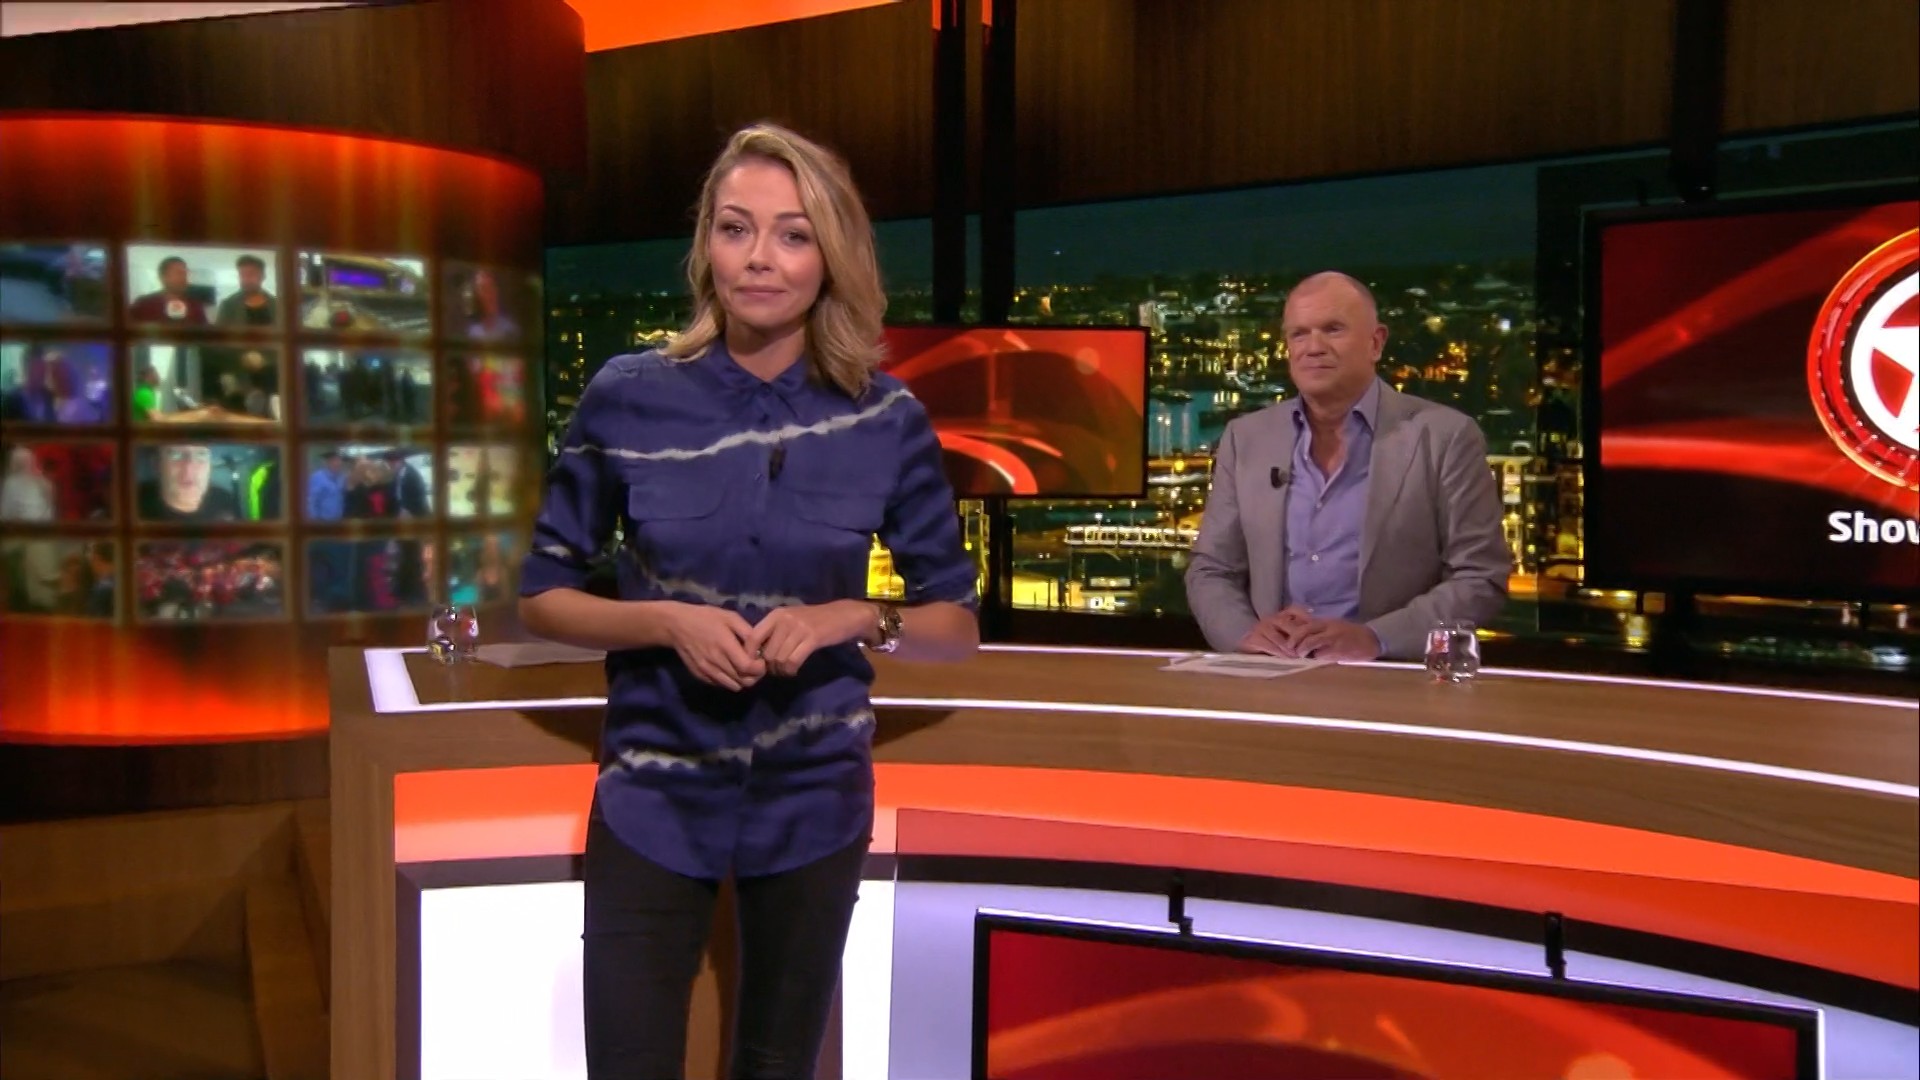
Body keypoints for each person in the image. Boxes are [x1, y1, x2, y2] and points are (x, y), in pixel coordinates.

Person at [519, 122, 978, 1078]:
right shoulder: (628, 395)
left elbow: (954, 629)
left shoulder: (886, 419)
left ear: (831, 257)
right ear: (707, 248)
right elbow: (544, 597)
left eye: (793, 234)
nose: (760, 257)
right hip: (652, 791)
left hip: (815, 798)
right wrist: (664, 622)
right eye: (736, 229)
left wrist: (858, 617)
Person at [1185, 271, 1509, 661]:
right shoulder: (1246, 438)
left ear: (1376, 342)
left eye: (1333, 329)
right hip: (1271, 675)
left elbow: (1480, 577)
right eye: (1299, 334)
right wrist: (1245, 635)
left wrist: (1374, 639)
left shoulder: (1445, 437)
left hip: (1388, 677)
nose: (1313, 347)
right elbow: (1211, 569)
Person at [128, 255, 210, 324]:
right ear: (162, 277)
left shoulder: (195, 306)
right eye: (179, 273)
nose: (184, 278)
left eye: (185, 273)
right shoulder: (143, 304)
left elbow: (205, 334)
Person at [215, 254, 279, 327]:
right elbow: (219, 333)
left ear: (262, 276)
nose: (246, 279)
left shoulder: (277, 305)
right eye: (242, 275)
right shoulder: (228, 305)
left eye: (251, 274)